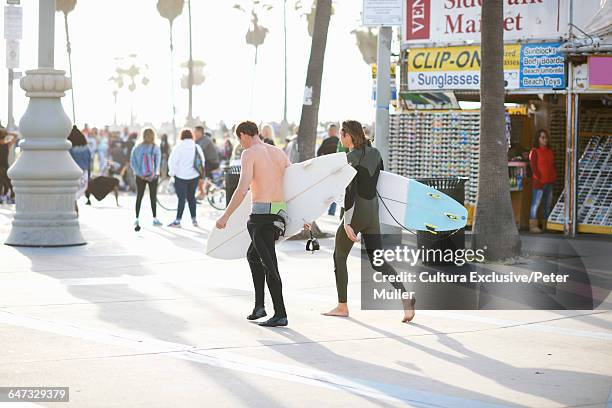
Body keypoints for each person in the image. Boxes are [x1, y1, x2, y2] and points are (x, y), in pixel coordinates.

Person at [323, 120, 415, 323]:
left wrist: (347, 221)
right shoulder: (376, 153)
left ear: (348, 135)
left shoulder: (350, 158)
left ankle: (342, 306)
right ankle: (405, 296)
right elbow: (381, 181)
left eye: (341, 134)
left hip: (356, 214)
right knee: (378, 261)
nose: (340, 137)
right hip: (372, 214)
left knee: (339, 257)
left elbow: (350, 191)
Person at [216, 121, 291, 327]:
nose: (239, 143)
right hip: (278, 214)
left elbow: (242, 189)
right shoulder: (278, 152)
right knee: (253, 256)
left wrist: (225, 216)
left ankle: (280, 313)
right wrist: (304, 218)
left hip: (261, 217)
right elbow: (294, 183)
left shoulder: (249, 153)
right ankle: (260, 306)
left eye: (237, 138)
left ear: (243, 135)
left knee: (270, 265)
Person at [168, 128, 205, 227]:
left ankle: (178, 220)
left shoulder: (178, 147)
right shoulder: (196, 147)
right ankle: (194, 220)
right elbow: (202, 161)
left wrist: (172, 174)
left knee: (181, 199)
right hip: (194, 176)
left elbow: (172, 162)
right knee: (191, 197)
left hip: (180, 177)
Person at [130, 128, 162, 231]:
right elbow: (157, 164)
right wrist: (153, 174)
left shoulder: (137, 148)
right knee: (153, 197)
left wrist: (140, 174)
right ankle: (155, 218)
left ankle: (137, 218)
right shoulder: (156, 148)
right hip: (153, 176)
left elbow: (132, 162)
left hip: (140, 176)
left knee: (139, 196)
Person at [529, 129, 557, 233]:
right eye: (542, 137)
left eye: (546, 137)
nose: (545, 139)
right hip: (539, 183)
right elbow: (534, 167)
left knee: (547, 204)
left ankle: (547, 225)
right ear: (538, 139)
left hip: (549, 181)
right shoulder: (534, 151)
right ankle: (533, 226)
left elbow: (552, 165)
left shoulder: (550, 151)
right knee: (535, 204)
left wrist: (554, 176)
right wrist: (539, 177)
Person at [317, 123, 340, 215]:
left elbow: (319, 154)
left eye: (330, 130)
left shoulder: (326, 141)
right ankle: (331, 211)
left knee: (325, 190)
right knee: (334, 190)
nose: (329, 132)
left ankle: (323, 209)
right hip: (337, 170)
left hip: (327, 169)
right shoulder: (340, 142)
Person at [68, 126, 92, 212]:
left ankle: (75, 214)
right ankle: (75, 214)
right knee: (74, 198)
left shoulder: (70, 149)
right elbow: (89, 163)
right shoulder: (87, 148)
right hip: (84, 174)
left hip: (74, 174)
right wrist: (89, 176)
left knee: (72, 198)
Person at [194, 126, 220, 200]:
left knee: (199, 173)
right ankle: (206, 189)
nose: (194, 134)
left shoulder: (205, 140)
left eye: (195, 132)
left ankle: (203, 192)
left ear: (200, 132)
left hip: (212, 162)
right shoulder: (198, 140)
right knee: (200, 172)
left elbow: (198, 150)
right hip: (207, 162)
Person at [0, 125, 17, 204]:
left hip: (5, 167)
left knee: (8, 184)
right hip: (4, 168)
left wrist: (6, 133)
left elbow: (15, 137)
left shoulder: (7, 145)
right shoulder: (7, 145)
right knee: (6, 184)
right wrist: (7, 133)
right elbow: (15, 136)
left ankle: (7, 198)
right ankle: (6, 198)